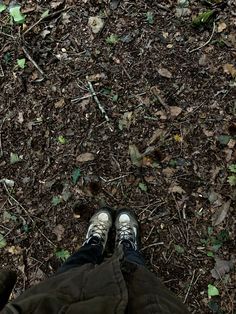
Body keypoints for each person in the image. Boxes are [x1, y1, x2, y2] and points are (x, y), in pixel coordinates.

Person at [0, 208, 190, 313]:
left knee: (73, 270)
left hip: (49, 307)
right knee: (135, 274)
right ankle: (127, 248)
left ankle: (94, 244)